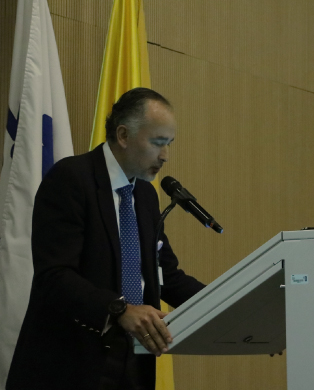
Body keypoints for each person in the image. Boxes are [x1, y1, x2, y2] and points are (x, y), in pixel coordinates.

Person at [6, 88, 206, 389]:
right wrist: (120, 310)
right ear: (123, 135)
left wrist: (233, 303)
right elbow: (55, 275)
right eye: (158, 143)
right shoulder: (72, 178)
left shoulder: (145, 196)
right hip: (70, 364)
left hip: (134, 361)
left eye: (169, 144)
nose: (165, 156)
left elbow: (167, 277)